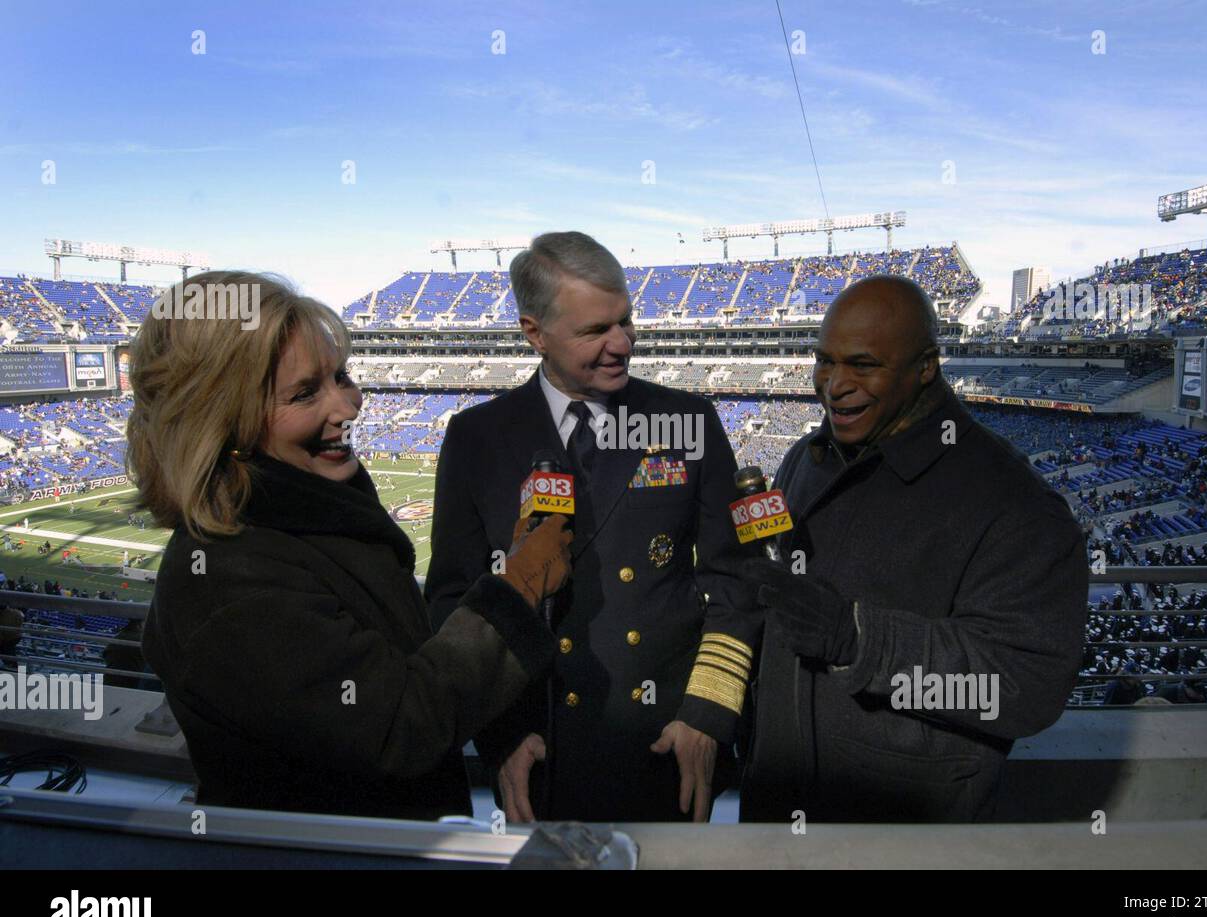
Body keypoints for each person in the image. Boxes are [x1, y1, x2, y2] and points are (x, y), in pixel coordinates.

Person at [131, 271, 573, 821]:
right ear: (220, 420)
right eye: (304, 393)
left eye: (341, 376)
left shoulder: (301, 519)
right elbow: (398, 725)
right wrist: (520, 586)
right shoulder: (227, 577)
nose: (348, 406)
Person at [425, 232, 760, 822]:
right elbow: (454, 599)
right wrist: (500, 737)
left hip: (665, 744)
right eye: (594, 331)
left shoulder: (689, 421)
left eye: (626, 322)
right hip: (541, 755)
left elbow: (736, 582)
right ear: (535, 334)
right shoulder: (475, 438)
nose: (622, 344)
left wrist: (706, 717)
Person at [741, 275, 1087, 823]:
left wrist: (860, 641)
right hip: (778, 806)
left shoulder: (1013, 502)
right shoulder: (807, 458)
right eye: (824, 361)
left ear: (926, 367)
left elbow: (1026, 686)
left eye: (863, 365)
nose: (834, 385)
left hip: (901, 827)